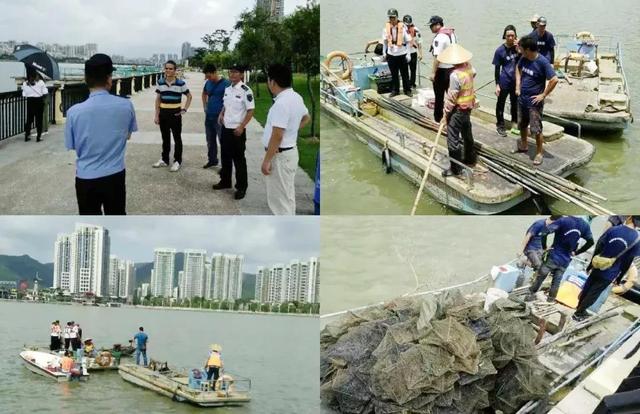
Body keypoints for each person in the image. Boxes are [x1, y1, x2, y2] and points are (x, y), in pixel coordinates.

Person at [65, 53, 137, 215]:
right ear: (109, 78)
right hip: (115, 175)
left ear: (86, 78)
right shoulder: (126, 105)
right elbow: (127, 135)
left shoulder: (73, 112)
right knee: (117, 218)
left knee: (90, 228)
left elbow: (73, 145)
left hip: (86, 177)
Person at [261, 63, 311, 215]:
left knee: (279, 202)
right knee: (287, 197)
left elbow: (277, 134)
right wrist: (291, 130)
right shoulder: (296, 97)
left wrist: (267, 160)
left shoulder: (281, 103)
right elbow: (306, 118)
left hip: (280, 157)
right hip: (288, 153)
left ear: (273, 82)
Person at [573, 216, 640, 321]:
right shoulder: (637, 239)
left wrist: (591, 264)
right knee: (594, 292)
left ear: (630, 217)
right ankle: (579, 313)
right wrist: (619, 277)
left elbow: (599, 245)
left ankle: (579, 308)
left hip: (598, 264)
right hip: (612, 271)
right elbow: (628, 260)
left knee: (588, 286)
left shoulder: (614, 229)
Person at [527, 215, 594, 302]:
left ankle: (530, 295)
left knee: (541, 276)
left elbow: (544, 232)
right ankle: (550, 300)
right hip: (566, 259)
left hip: (554, 255)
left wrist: (544, 247)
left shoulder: (563, 220)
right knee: (556, 282)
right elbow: (591, 242)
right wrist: (577, 252)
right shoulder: (584, 225)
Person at [213, 64, 255, 200]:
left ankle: (241, 187)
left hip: (237, 130)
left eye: (235, 72)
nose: (232, 74)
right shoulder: (228, 89)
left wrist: (242, 126)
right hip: (226, 128)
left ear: (242, 74)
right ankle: (225, 181)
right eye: (230, 72)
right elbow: (227, 105)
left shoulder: (245, 90)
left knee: (239, 160)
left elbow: (250, 111)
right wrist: (221, 113)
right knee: (225, 157)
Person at [515, 35, 558, 165]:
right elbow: (518, 68)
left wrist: (543, 95)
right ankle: (524, 144)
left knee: (536, 129)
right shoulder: (524, 58)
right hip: (522, 98)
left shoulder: (542, 62)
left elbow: (554, 79)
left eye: (521, 48)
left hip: (534, 103)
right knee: (522, 124)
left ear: (528, 49)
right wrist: (518, 85)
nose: (519, 50)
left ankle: (539, 152)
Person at [439, 44, 476, 177]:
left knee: (452, 138)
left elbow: (451, 98)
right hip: (468, 107)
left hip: (458, 109)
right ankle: (470, 158)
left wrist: (445, 114)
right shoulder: (470, 68)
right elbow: (474, 74)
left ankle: (455, 168)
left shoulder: (455, 75)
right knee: (467, 133)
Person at [153, 60, 192, 172]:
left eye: (171, 68)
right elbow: (158, 99)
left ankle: (177, 161)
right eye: (167, 68)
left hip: (175, 114)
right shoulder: (160, 82)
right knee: (165, 138)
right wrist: (157, 115)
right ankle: (165, 160)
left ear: (175, 70)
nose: (168, 70)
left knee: (177, 138)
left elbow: (189, 96)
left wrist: (184, 109)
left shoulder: (181, 83)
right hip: (163, 114)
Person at [493, 25, 520, 137]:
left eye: (512, 35)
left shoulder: (518, 48)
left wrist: (519, 49)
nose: (510, 38)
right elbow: (497, 69)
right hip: (504, 81)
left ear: (515, 36)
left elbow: (526, 60)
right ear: (504, 36)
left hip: (516, 82)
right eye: (508, 35)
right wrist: (497, 85)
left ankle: (515, 125)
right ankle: (500, 125)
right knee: (501, 104)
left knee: (515, 104)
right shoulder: (500, 51)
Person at [428, 15, 457, 123]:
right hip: (453, 68)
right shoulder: (452, 33)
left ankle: (438, 119)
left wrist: (433, 73)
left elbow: (437, 57)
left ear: (438, 25)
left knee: (439, 97)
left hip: (442, 71)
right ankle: (452, 119)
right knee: (452, 97)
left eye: (431, 25)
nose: (430, 28)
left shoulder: (440, 37)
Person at [201, 63, 230, 169]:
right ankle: (212, 160)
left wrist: (223, 113)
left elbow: (230, 101)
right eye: (206, 76)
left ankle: (225, 166)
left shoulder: (226, 84)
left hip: (220, 118)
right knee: (210, 140)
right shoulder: (208, 83)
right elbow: (204, 93)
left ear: (215, 72)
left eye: (209, 76)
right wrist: (205, 106)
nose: (208, 78)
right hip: (209, 116)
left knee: (223, 141)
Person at [381, 8, 412, 97]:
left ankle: (407, 90)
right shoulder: (385, 28)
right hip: (391, 54)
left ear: (397, 17)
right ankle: (395, 90)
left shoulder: (403, 27)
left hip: (402, 54)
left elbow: (408, 41)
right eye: (390, 18)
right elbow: (385, 42)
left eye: (393, 17)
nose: (392, 20)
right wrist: (384, 52)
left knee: (405, 74)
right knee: (394, 74)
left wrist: (409, 54)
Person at [22, 69, 48, 142]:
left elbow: (24, 94)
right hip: (39, 101)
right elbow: (45, 92)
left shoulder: (25, 83)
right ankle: (38, 137)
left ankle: (27, 136)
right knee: (39, 120)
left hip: (30, 101)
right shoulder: (40, 82)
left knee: (29, 120)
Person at [403, 15, 423, 89]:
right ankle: (406, 83)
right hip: (403, 53)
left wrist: (421, 53)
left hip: (413, 52)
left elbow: (419, 42)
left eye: (409, 24)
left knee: (413, 69)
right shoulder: (401, 30)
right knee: (404, 70)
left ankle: (412, 83)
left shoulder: (416, 30)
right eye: (406, 25)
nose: (408, 26)